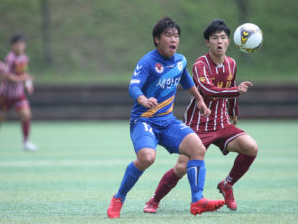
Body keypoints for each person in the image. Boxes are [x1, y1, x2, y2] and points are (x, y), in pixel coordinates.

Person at [107, 17, 225, 219]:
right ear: (157, 39)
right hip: (144, 120)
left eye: (176, 36)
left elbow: (186, 79)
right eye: (169, 35)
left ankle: (198, 201)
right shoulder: (147, 62)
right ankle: (118, 198)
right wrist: (143, 99)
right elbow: (133, 86)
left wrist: (199, 99)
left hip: (167, 121)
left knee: (197, 149)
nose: (174, 40)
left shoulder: (180, 60)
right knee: (147, 158)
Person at [143, 19, 258, 213]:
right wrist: (235, 91)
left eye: (223, 38)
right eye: (215, 38)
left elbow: (231, 87)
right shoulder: (200, 65)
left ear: (229, 42)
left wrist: (233, 112)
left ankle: (227, 185)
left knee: (251, 148)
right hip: (198, 124)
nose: (219, 42)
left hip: (221, 124)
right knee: (181, 167)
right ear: (208, 42)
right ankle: (154, 201)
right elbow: (207, 90)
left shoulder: (231, 63)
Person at [0, 33, 37, 151]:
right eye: (18, 44)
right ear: (13, 46)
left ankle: (26, 142)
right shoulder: (9, 58)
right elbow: (4, 76)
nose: (20, 47)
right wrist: (21, 79)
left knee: (26, 115)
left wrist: (28, 84)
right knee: (0, 117)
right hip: (6, 94)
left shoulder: (25, 58)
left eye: (22, 44)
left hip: (19, 93)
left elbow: (24, 74)